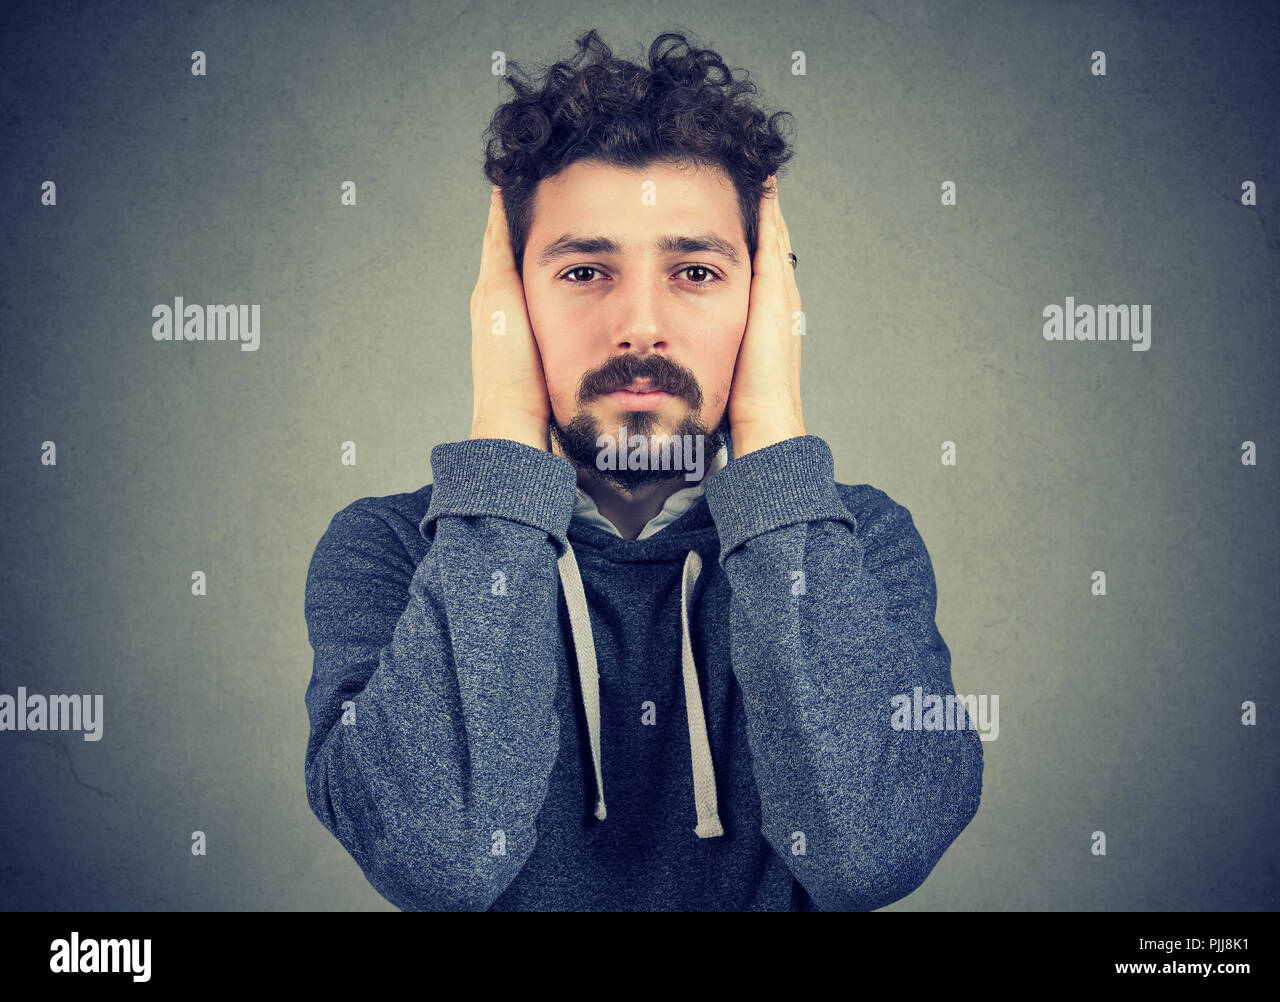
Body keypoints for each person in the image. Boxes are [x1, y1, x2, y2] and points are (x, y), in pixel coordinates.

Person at [303, 28, 982, 911]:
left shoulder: (854, 541)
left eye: (696, 271)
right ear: (507, 304)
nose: (640, 326)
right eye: (585, 270)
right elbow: (441, 862)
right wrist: (504, 434)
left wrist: (773, 428)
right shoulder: (390, 550)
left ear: (765, 304)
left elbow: (869, 857)